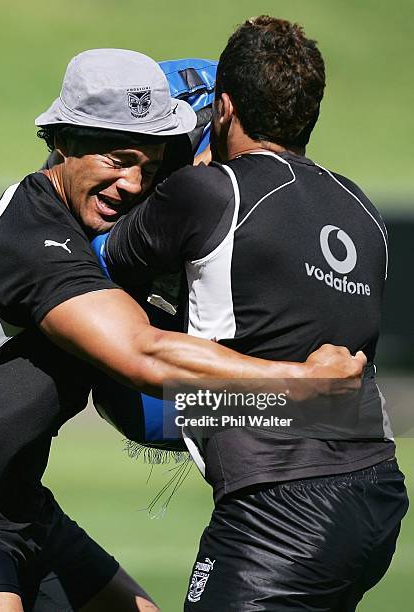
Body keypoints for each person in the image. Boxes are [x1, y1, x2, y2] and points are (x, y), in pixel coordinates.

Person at [0, 48, 364, 612]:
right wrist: (301, 381)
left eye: (149, 168)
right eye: (117, 159)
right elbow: (141, 356)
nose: (131, 183)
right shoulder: (29, 234)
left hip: (20, 506)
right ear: (63, 142)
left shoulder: (110, 239)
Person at [99, 19, 409, 611]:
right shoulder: (364, 212)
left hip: (281, 511)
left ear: (224, 107)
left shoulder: (210, 192)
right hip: (377, 495)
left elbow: (95, 261)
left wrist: (170, 151)